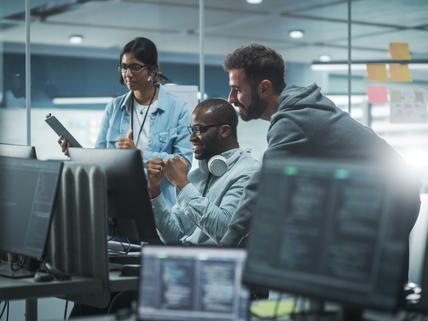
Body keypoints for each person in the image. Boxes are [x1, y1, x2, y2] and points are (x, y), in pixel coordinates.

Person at [220, 43, 420, 246]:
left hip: (391, 199)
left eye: (236, 90)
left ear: (264, 88)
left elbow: (263, 185)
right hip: (387, 193)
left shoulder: (293, 119)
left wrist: (228, 242)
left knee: (349, 268)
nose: (231, 99)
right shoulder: (299, 105)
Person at [60, 37, 192, 207]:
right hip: (118, 202)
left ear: (153, 70)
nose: (128, 74)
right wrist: (75, 152)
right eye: (124, 67)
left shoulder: (177, 108)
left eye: (135, 67)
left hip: (160, 207)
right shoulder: (114, 108)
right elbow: (101, 159)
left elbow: (183, 165)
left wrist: (138, 155)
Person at [147, 98, 259, 245]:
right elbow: (173, 236)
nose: (191, 138)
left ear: (224, 131)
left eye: (198, 130)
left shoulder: (248, 172)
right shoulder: (197, 175)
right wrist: (154, 190)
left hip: (218, 265)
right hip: (188, 260)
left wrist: (182, 184)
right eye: (191, 130)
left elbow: (225, 232)